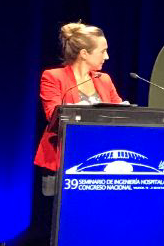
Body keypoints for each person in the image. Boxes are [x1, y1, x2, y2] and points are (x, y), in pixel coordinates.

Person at [35, 22, 123, 177]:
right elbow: (53, 115)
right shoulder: (53, 77)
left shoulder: (104, 79)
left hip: (100, 155)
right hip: (65, 158)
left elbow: (119, 111)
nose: (107, 57)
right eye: (103, 51)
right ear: (84, 53)